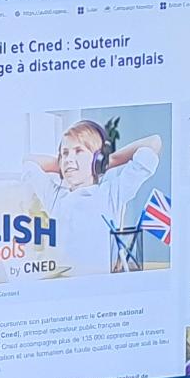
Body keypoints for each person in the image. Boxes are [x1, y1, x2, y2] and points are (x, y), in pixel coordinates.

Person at [22, 118, 163, 278]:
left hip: (100, 285)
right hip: (64, 285)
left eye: (78, 151)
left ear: (98, 159)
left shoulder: (111, 193)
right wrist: (63, 164)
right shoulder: (56, 197)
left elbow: (153, 144)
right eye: (65, 153)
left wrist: (108, 162)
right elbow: (29, 162)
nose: (68, 158)